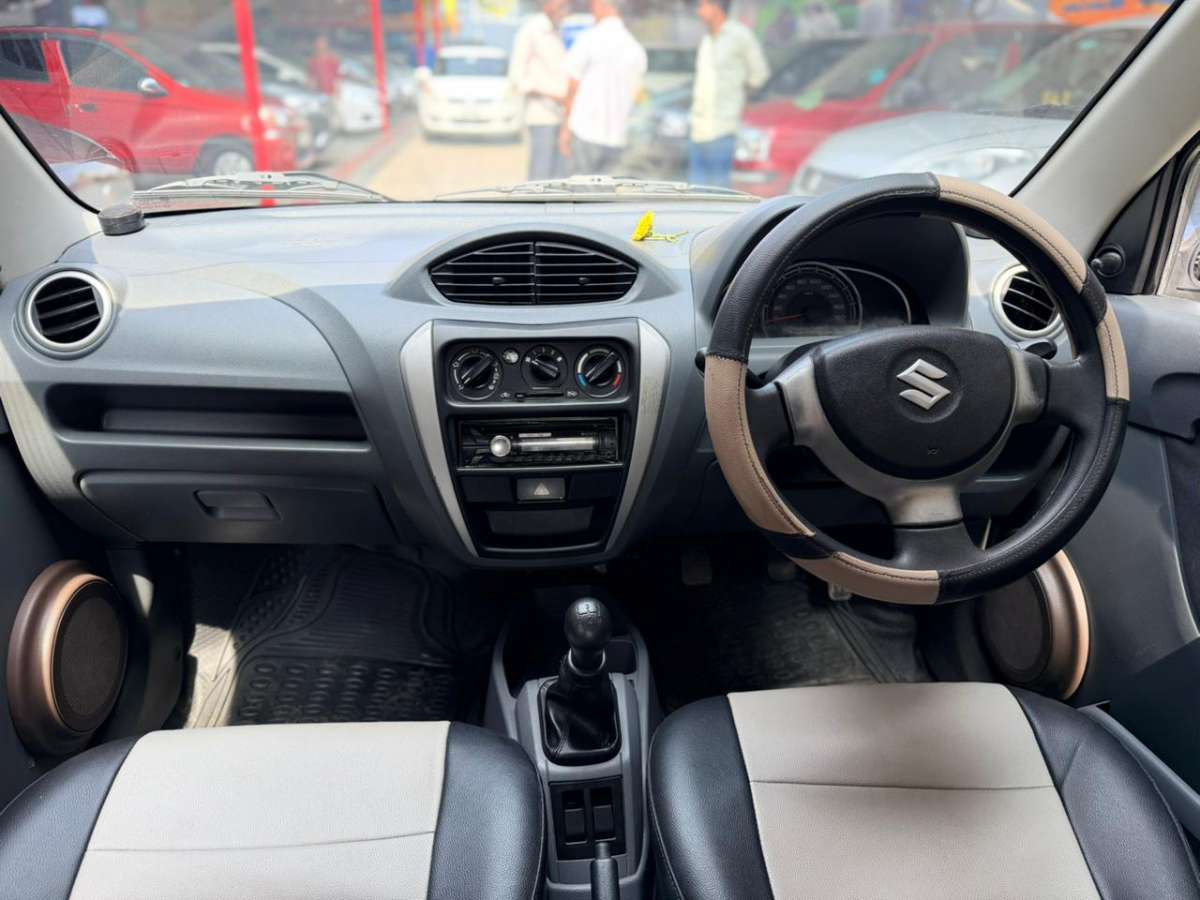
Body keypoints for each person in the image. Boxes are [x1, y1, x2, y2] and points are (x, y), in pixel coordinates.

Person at [559, 0, 648, 176]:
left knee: (581, 189)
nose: (592, 9)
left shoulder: (589, 40)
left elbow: (573, 87)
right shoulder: (635, 48)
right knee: (610, 191)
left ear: (602, 5)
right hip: (618, 136)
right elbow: (638, 95)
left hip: (586, 132)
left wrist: (565, 129)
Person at [689, 0, 769, 188]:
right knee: (695, 192)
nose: (699, 12)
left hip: (723, 128)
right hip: (698, 128)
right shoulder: (707, 39)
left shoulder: (739, 35)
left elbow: (759, 74)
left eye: (703, 6)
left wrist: (741, 99)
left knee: (718, 192)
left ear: (716, 6)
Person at [510, 0, 571, 180]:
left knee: (561, 178)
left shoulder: (559, 31)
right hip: (542, 115)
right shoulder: (531, 31)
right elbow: (517, 77)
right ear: (547, 5)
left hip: (563, 116)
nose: (564, 12)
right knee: (540, 178)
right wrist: (551, 96)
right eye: (560, 7)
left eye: (566, 7)